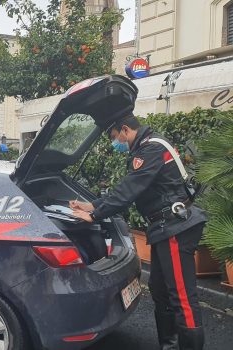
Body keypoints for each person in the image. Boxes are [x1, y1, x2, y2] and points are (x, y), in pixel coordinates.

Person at [70, 114, 207, 350]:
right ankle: (170, 345)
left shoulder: (150, 149)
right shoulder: (149, 146)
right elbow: (129, 187)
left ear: (125, 129)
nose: (116, 143)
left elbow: (129, 190)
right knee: (160, 289)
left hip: (175, 227)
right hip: (166, 227)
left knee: (182, 297)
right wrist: (92, 205)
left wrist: (93, 216)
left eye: (115, 137)